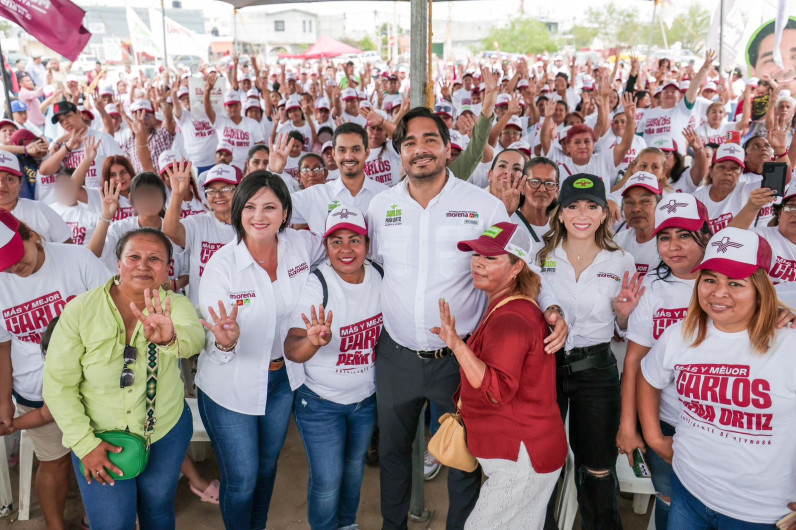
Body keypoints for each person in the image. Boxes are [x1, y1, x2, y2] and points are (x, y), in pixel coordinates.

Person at [366, 106, 567, 530]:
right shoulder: (380, 206)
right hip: (396, 356)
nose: (419, 150)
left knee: (465, 459)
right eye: (409, 143)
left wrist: (552, 309)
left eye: (429, 140)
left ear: (447, 147)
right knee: (393, 454)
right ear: (399, 153)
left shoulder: (482, 205)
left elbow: (520, 265)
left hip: (460, 361)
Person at [43, 227, 205, 529]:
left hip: (164, 434)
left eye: (154, 258)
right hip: (99, 439)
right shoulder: (80, 310)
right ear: (118, 264)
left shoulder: (175, 306)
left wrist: (170, 338)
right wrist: (86, 445)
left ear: (167, 268)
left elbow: (194, 339)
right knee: (112, 522)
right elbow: (57, 386)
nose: (143, 265)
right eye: (134, 257)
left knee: (158, 509)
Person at [638, 226, 796, 528]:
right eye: (709, 279)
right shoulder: (681, 334)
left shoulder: (788, 343)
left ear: (761, 288)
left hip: (761, 513)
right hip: (690, 491)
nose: (718, 292)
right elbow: (647, 378)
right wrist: (655, 439)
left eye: (735, 283)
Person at [196, 172, 324, 529]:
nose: (259, 216)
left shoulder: (301, 245)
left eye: (270, 206)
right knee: (242, 477)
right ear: (238, 211)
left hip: (281, 380)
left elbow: (339, 241)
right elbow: (215, 338)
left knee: (267, 469)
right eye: (250, 206)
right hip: (229, 385)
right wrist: (226, 340)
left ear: (285, 213)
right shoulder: (222, 267)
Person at [432, 222, 567, 529]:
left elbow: (497, 390)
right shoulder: (510, 306)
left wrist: (456, 346)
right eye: (477, 254)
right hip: (526, 453)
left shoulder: (511, 319)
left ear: (517, 266)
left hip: (521, 459)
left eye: (491, 257)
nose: (478, 261)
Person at [535, 173, 640, 529]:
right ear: (560, 213)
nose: (582, 213)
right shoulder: (540, 255)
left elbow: (624, 330)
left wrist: (624, 317)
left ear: (604, 214)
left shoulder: (621, 260)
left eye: (592, 205)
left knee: (597, 467)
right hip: (545, 367)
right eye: (573, 205)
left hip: (596, 371)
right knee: (541, 462)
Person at [0, 210, 109, 530]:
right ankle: (55, 526)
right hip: (35, 388)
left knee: (105, 457)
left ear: (31, 235)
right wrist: (4, 398)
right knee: (54, 462)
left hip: (92, 385)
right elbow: (3, 345)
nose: (14, 269)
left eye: (16, 257)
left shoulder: (78, 259)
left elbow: (111, 317)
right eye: (4, 265)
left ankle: (103, 518)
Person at [618, 192, 712, 530]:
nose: (673, 246)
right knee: (670, 499)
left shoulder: (727, 287)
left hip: (717, 423)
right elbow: (634, 362)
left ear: (706, 235)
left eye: (685, 235)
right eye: (665, 237)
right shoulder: (653, 289)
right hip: (665, 419)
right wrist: (629, 426)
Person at [285, 205, 381, 530]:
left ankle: (347, 524)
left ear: (367, 243)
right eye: (336, 241)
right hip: (321, 404)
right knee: (328, 480)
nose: (345, 249)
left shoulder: (380, 276)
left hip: (365, 401)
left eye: (354, 239)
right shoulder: (318, 284)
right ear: (325, 247)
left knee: (354, 470)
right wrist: (313, 341)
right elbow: (293, 348)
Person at [291, 123, 388, 234]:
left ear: (366, 153)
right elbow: (275, 207)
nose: (349, 157)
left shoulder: (385, 195)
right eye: (342, 150)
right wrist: (275, 171)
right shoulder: (316, 195)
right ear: (334, 154)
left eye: (356, 150)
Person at [163, 160, 236, 306]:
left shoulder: (249, 225)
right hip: (201, 312)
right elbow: (171, 231)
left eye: (226, 189)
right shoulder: (199, 223)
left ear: (239, 191)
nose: (218, 195)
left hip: (239, 309)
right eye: (211, 190)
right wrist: (177, 194)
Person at [0, 149, 72, 243]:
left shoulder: (40, 210)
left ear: (21, 183)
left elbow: (69, 248)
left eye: (9, 179)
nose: (1, 185)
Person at [614, 172, 663, 276]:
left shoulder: (671, 245)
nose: (636, 209)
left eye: (645, 201)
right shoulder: (617, 241)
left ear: (659, 205)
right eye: (630, 202)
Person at [512, 157, 559, 255]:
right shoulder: (509, 221)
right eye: (535, 182)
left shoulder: (563, 224)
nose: (542, 189)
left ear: (556, 191)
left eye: (549, 183)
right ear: (522, 186)